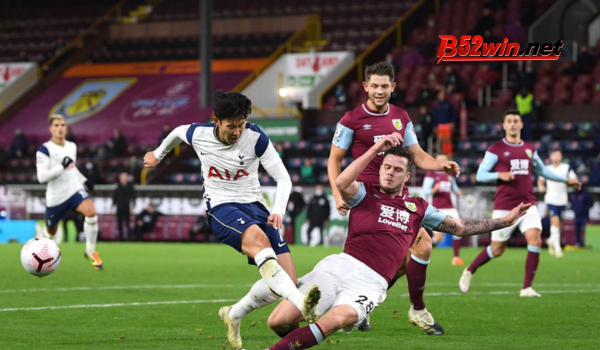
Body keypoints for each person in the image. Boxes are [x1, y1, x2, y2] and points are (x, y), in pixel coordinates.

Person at [265, 135, 530, 350]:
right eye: (387, 167)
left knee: (341, 317)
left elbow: (459, 226)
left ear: (407, 177)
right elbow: (342, 181)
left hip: (371, 282)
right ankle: (299, 342)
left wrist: (504, 222)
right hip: (340, 266)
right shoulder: (364, 193)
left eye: (397, 170)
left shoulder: (419, 207)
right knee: (278, 321)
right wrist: (376, 148)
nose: (390, 173)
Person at [143, 90, 320, 350]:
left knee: (287, 279)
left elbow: (284, 178)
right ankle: (301, 301)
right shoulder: (199, 134)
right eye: (231, 126)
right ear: (216, 120)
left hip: (256, 208)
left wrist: (278, 210)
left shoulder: (256, 138)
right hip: (222, 207)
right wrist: (159, 154)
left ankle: (234, 314)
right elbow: (178, 132)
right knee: (261, 244)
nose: (237, 131)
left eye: (241, 124)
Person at [328, 61, 461, 335]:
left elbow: (417, 155)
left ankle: (389, 308)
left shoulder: (401, 116)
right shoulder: (351, 120)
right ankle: (411, 309)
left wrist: (440, 165)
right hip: (367, 199)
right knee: (380, 256)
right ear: (365, 86)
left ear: (393, 87)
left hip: (399, 197)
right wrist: (336, 193)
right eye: (374, 86)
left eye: (384, 86)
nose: (379, 91)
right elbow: (334, 160)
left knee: (411, 255)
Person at [459, 109, 581, 297]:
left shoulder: (530, 148)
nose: (513, 124)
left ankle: (527, 288)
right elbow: (481, 175)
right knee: (497, 249)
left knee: (535, 239)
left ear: (521, 124)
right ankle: (470, 270)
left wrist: (566, 180)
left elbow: (542, 171)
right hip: (504, 207)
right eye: (509, 121)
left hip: (527, 204)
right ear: (504, 125)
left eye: (516, 120)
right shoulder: (496, 149)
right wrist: (500, 174)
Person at [36, 114, 102, 270]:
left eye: (62, 125)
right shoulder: (45, 149)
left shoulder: (72, 146)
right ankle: (42, 252)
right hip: (56, 197)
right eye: (56, 125)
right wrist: (60, 167)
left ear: (66, 128)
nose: (60, 128)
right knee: (51, 231)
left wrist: (84, 180)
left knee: (91, 212)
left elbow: (71, 168)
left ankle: (90, 252)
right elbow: (41, 177)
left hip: (74, 190)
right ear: (51, 129)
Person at [422, 153, 464, 265]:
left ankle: (456, 257)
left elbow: (454, 188)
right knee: (439, 238)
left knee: (459, 230)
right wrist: (434, 189)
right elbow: (426, 191)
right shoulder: (431, 174)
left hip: (450, 207)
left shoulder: (449, 174)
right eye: (439, 160)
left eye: (444, 160)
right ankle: (423, 251)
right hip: (437, 208)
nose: (442, 162)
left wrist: (458, 192)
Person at [537, 149, 578, 258]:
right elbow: (540, 180)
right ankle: (558, 248)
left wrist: (575, 183)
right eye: (553, 155)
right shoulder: (546, 169)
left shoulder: (566, 167)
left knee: (559, 225)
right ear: (550, 157)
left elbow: (574, 179)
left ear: (561, 156)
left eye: (558, 155)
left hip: (562, 200)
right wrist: (541, 186)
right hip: (551, 199)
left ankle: (551, 240)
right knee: (554, 222)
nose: (555, 157)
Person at [432, 89, 457, 156]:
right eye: (440, 94)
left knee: (447, 140)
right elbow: (435, 116)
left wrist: (453, 122)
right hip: (440, 125)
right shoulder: (436, 105)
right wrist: (435, 126)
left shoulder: (449, 104)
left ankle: (449, 153)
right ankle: (444, 154)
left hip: (447, 124)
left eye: (443, 94)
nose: (441, 95)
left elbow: (453, 114)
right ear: (438, 96)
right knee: (442, 140)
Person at [112, 172, 136, 241]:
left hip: (127, 208)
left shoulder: (130, 187)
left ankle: (128, 237)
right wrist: (112, 207)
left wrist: (132, 207)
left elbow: (133, 198)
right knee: (119, 223)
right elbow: (114, 198)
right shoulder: (117, 187)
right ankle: (120, 237)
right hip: (119, 208)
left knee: (128, 223)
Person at [570, 182, 593, 248]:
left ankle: (585, 243)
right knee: (577, 230)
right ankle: (578, 243)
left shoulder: (585, 194)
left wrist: (584, 209)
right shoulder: (573, 195)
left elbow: (590, 203)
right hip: (576, 216)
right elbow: (572, 204)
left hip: (584, 216)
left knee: (585, 230)